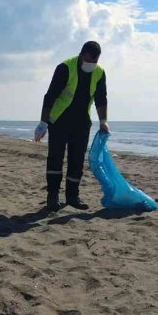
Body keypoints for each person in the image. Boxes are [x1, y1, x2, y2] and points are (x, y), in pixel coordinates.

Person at [34, 41, 109, 211]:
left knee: (76, 161)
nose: (92, 64)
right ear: (82, 55)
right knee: (55, 159)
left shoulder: (99, 73)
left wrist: (103, 121)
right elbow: (50, 96)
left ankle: (73, 196)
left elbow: (101, 98)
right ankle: (52, 197)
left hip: (81, 123)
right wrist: (43, 123)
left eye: (95, 61)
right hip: (59, 120)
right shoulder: (65, 68)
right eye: (89, 60)